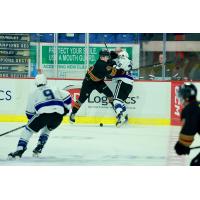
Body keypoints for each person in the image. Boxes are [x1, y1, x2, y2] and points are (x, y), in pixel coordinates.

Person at [8, 74, 71, 159]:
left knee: (28, 130)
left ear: (36, 83)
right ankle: (40, 146)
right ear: (45, 81)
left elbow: (29, 113)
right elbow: (68, 95)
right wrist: (66, 109)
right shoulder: (55, 88)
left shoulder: (33, 93)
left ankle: (20, 149)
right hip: (58, 117)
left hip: (43, 115)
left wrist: (31, 122)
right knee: (47, 128)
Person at [69, 50, 117, 123]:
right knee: (82, 99)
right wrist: (115, 66)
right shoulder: (100, 64)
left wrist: (111, 58)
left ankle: (117, 111)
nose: (108, 58)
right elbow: (112, 74)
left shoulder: (102, 61)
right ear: (102, 57)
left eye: (108, 56)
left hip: (98, 82)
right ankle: (73, 113)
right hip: (88, 82)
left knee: (109, 94)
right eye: (107, 56)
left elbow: (108, 62)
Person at [174, 83, 200, 166]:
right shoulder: (196, 106)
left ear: (186, 97)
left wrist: (182, 145)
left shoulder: (190, 109)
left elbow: (189, 128)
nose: (180, 98)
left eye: (181, 96)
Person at [111, 50, 133, 127]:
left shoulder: (122, 60)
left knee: (115, 100)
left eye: (120, 56)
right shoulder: (129, 61)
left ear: (123, 55)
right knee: (121, 101)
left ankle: (120, 116)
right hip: (130, 84)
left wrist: (113, 65)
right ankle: (125, 115)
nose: (119, 57)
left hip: (123, 82)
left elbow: (115, 70)